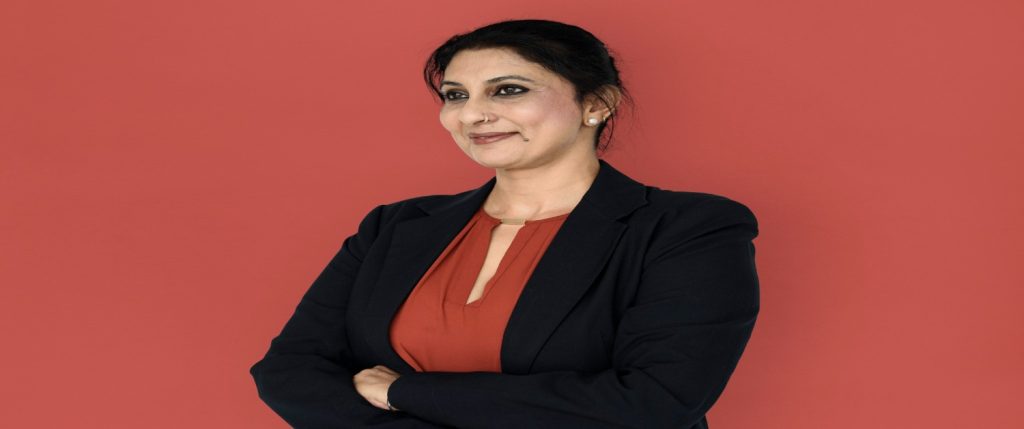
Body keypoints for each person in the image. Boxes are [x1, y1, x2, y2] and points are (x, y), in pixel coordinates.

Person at [250, 19, 760, 429]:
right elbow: (289, 371)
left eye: (507, 90)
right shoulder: (396, 225)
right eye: (455, 95)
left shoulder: (690, 229)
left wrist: (404, 391)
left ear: (596, 105)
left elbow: (654, 402)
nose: (472, 115)